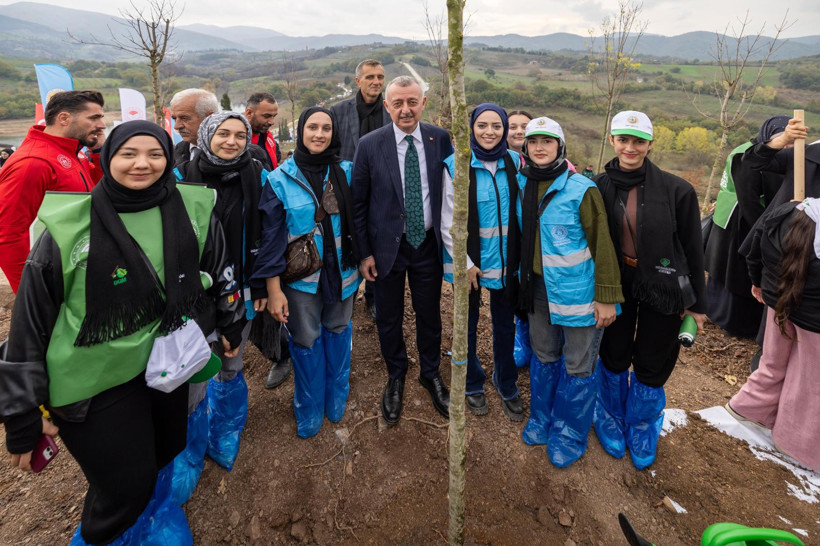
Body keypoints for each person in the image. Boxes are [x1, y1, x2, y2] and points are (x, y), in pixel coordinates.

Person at [0, 120, 245, 544]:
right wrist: (21, 412)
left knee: (166, 448)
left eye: (154, 154)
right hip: (91, 380)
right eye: (128, 154)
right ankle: (103, 535)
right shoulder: (69, 226)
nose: (142, 164)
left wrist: (230, 320)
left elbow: (219, 267)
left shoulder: (191, 207)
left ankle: (147, 524)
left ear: (168, 158)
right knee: (124, 487)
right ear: (108, 157)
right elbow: (30, 323)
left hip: (167, 361)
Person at [593, 110, 707, 470]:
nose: (630, 147)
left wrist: (697, 305)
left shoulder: (677, 190)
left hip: (664, 282)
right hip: (616, 279)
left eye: (638, 141)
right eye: (623, 140)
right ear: (612, 141)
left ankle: (642, 424)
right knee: (614, 348)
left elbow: (693, 248)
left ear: (650, 144)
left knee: (655, 353)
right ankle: (610, 414)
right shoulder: (597, 186)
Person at [171, 112, 269, 500]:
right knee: (193, 371)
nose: (232, 141)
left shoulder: (256, 174)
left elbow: (271, 229)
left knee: (230, 358)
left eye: (240, 135)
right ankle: (189, 449)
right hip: (191, 295)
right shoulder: (180, 178)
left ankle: (226, 429)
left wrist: (263, 281)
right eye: (223, 134)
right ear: (207, 135)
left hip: (240, 288)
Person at [515, 117, 622, 467]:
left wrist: (606, 297)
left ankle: (569, 432)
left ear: (560, 147)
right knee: (544, 355)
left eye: (547, 141)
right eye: (533, 142)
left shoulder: (582, 189)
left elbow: (602, 245)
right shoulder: (522, 182)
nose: (539, 148)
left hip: (579, 294)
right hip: (537, 291)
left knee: (578, 364)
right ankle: (541, 418)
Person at [351, 76, 454, 425]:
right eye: (398, 103)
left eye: (412, 102)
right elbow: (358, 204)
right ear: (387, 106)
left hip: (427, 243)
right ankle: (396, 374)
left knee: (429, 313)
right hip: (385, 248)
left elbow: (450, 191)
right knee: (389, 315)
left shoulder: (440, 138)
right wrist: (364, 253)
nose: (406, 110)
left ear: (423, 103)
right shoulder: (369, 145)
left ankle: (430, 372)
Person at [254, 107, 361, 438]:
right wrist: (273, 290)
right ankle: (309, 405)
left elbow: (361, 221)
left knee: (339, 328)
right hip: (301, 279)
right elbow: (270, 240)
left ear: (334, 133)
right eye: (312, 127)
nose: (319, 134)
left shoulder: (347, 172)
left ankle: (336, 394)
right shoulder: (279, 179)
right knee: (305, 337)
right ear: (300, 131)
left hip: (342, 271)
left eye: (326, 128)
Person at [441, 103, 524, 420]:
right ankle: (472, 382)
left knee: (505, 325)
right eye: (482, 125)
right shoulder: (456, 165)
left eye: (496, 126)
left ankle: (506, 381)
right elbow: (448, 220)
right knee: (467, 325)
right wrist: (464, 263)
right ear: (472, 128)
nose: (489, 132)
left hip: (507, 263)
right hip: (471, 265)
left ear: (505, 129)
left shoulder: (515, 161)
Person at [727, 198, 820, 472]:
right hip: (812, 319)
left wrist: (758, 282)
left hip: (778, 302)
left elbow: (756, 246)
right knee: (811, 381)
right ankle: (796, 444)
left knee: (773, 362)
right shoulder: (791, 211)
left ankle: (749, 408)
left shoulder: (789, 210)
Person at [0, 90, 105, 293]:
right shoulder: (33, 162)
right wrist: (31, 293)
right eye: (94, 118)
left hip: (78, 268)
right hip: (54, 281)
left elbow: (96, 189)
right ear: (64, 118)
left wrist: (98, 152)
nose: (101, 125)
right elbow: (7, 235)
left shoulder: (71, 151)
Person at [705, 116, 790, 340]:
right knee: (736, 273)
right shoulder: (749, 154)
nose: (787, 146)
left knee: (725, 269)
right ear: (769, 135)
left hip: (731, 214)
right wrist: (765, 232)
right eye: (783, 139)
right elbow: (749, 198)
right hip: (741, 220)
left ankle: (719, 313)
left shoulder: (751, 149)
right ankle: (734, 323)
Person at [332, 59, 391, 321]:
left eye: (380, 77)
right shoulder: (339, 111)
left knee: (377, 242)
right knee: (348, 240)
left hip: (383, 190)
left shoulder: (390, 110)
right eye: (370, 77)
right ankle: (347, 291)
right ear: (358, 81)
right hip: (347, 189)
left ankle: (374, 296)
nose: (376, 82)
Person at [506, 110, 536, 370]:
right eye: (512, 126)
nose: (518, 131)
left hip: (539, 243)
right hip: (511, 242)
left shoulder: (549, 160)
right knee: (516, 295)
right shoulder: (501, 162)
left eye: (524, 126)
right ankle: (522, 343)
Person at [168, 88, 219, 166]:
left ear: (210, 117)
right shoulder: (177, 152)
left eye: (184, 118)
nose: (176, 126)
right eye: (174, 118)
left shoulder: (230, 153)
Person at [244, 92, 281, 170]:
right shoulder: (239, 143)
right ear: (249, 113)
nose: (272, 122)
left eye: (274, 116)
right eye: (267, 116)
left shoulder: (269, 138)